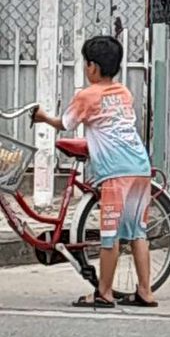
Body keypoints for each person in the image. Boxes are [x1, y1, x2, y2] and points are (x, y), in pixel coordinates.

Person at [33, 35, 158, 310]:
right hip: (140, 166)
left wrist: (42, 116)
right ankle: (146, 292)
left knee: (109, 235)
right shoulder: (124, 92)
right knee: (138, 232)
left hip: (115, 172)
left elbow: (64, 123)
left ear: (92, 67)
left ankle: (104, 293)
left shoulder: (87, 96)